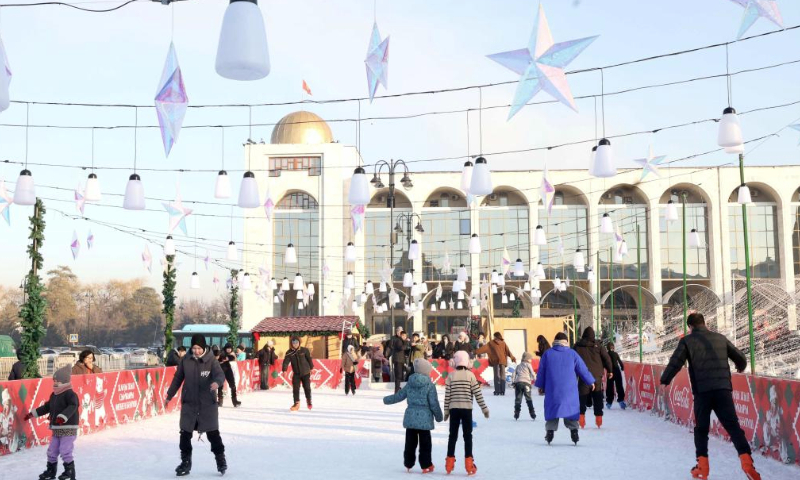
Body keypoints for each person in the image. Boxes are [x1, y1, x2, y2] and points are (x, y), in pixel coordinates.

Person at [660, 313, 761, 480]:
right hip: (723, 390)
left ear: (690, 327)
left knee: (701, 430)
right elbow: (741, 357)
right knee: (734, 428)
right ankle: (748, 464)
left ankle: (703, 467)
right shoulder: (720, 338)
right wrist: (740, 366)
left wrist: (665, 379)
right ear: (704, 323)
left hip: (702, 391)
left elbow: (676, 362)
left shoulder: (687, 341)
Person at [164, 334, 227, 476]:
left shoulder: (211, 360)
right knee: (184, 434)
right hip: (190, 404)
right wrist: (169, 395)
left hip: (207, 405)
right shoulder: (186, 360)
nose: (196, 351)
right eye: (194, 348)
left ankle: (220, 459)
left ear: (204, 347)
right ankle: (185, 462)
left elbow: (220, 375)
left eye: (199, 348)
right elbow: (178, 378)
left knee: (213, 434)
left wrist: (217, 382)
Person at [534, 332, 595, 446]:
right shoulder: (573, 354)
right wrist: (590, 381)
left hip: (553, 389)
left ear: (555, 341)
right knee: (570, 410)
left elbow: (541, 372)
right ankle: (574, 432)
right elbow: (582, 369)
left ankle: (550, 432)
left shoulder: (548, 354)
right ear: (566, 342)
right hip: (569, 389)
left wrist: (541, 386)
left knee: (552, 409)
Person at [383, 359, 443, 474]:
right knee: (425, 444)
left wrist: (386, 400)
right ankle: (426, 465)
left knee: (410, 443)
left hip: (410, 419)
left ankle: (408, 464)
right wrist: (439, 416)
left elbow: (399, 396)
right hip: (425, 420)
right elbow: (434, 403)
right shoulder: (430, 385)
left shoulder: (410, 384)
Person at [25, 366, 79, 480]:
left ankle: (69, 473)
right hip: (56, 429)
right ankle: (51, 471)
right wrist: (33, 414)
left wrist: (62, 417)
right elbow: (47, 407)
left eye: (56, 380)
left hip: (68, 429)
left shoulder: (70, 394)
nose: (54, 382)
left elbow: (73, 406)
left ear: (63, 380)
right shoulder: (54, 394)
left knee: (65, 451)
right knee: (52, 451)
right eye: (53, 380)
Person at [443, 351, 488, 476]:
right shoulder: (470, 375)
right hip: (467, 410)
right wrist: (484, 409)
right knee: (467, 436)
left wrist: (446, 411)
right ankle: (469, 464)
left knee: (452, 436)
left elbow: (448, 396)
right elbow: (478, 394)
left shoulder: (451, 376)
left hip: (454, 410)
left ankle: (449, 464)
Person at [573, 327, 612, 429]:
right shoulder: (599, 346)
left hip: (583, 375)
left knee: (582, 397)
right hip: (596, 375)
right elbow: (607, 359)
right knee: (597, 396)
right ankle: (599, 419)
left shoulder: (577, 346)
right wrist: (610, 370)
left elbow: (570, 359)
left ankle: (581, 419)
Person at [475, 332, 516, 396]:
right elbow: (508, 351)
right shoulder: (503, 343)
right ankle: (502, 391)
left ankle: (497, 391)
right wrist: (513, 358)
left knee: (496, 376)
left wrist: (475, 352)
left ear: (495, 336)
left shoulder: (491, 343)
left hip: (495, 361)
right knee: (502, 376)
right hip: (502, 361)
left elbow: (483, 349)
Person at [282, 336, 314, 411]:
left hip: (306, 372)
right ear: (291, 343)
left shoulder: (304, 350)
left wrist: (312, 368)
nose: (295, 344)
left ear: (299, 342)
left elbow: (309, 359)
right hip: (296, 373)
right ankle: (296, 403)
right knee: (295, 389)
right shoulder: (289, 352)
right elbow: (285, 362)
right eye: (293, 343)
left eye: (296, 342)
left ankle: (308, 400)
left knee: (307, 387)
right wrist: (284, 370)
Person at [512, 352, 537, 421]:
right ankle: (532, 413)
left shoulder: (518, 366)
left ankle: (516, 413)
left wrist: (513, 382)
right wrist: (535, 380)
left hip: (518, 383)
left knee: (518, 399)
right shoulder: (528, 365)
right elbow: (532, 373)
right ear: (527, 359)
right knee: (528, 399)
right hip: (526, 383)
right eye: (530, 359)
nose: (531, 360)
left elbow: (513, 374)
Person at [217, 343, 241, 408]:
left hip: (228, 370)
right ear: (225, 348)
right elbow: (221, 356)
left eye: (230, 349)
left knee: (233, 385)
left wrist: (228, 358)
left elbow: (232, 357)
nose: (228, 350)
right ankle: (220, 400)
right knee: (220, 386)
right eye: (227, 348)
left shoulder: (231, 354)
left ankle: (234, 400)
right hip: (221, 371)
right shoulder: (222, 352)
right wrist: (224, 358)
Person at [605, 342, 626, 410]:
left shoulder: (606, 354)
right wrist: (622, 367)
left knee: (610, 387)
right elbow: (620, 362)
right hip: (617, 371)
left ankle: (609, 402)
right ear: (613, 347)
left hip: (609, 372)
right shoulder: (615, 354)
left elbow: (604, 363)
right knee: (619, 385)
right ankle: (621, 400)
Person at [390, 327, 408, 393]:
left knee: (400, 375)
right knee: (398, 375)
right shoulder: (398, 341)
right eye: (404, 336)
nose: (405, 337)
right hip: (398, 360)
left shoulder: (401, 341)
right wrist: (406, 343)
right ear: (401, 335)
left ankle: (398, 388)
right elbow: (401, 348)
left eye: (405, 336)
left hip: (400, 360)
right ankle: (397, 390)